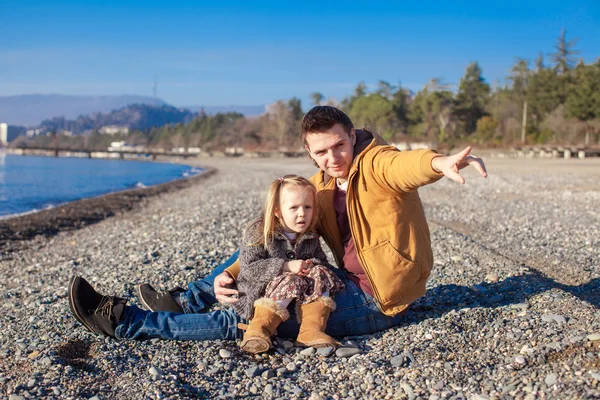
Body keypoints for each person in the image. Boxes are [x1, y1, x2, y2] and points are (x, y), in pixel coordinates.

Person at [68, 105, 487, 342]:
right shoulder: (321, 187)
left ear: (352, 137)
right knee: (273, 240)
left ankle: (128, 322)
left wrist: (438, 162)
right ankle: (193, 296)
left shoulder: (376, 164)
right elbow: (274, 239)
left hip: (377, 300)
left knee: (249, 317)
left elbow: (405, 166)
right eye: (321, 152)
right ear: (309, 151)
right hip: (340, 279)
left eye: (340, 146)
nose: (333, 158)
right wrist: (228, 274)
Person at [235, 175, 344, 354]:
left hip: (299, 292)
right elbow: (249, 269)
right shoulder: (260, 232)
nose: (302, 213)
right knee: (290, 278)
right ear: (278, 211)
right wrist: (286, 266)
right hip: (260, 292)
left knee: (322, 271)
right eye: (294, 208)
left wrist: (309, 266)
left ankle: (311, 330)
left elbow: (321, 260)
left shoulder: (309, 235)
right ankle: (259, 330)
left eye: (308, 207)